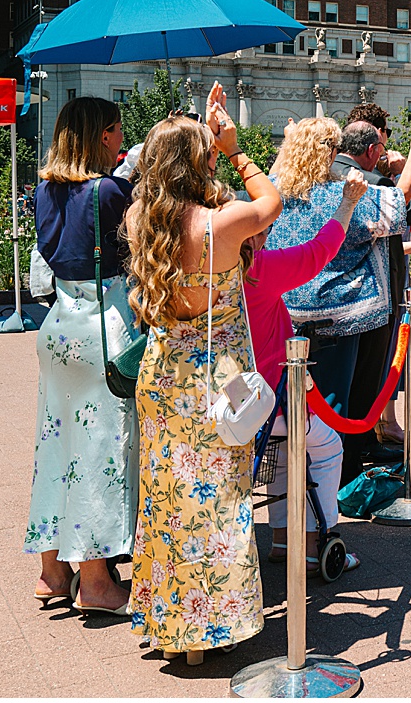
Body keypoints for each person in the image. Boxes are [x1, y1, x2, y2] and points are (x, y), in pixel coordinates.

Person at [125, 84, 283, 663]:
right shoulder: (221, 225)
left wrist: (201, 140)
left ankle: (172, 627)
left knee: (167, 503)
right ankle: (209, 629)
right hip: (214, 382)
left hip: (162, 374)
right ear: (200, 164)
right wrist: (237, 150)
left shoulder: (142, 218)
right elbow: (272, 203)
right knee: (219, 504)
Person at [266, 118, 411, 483]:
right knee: (336, 405)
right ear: (328, 153)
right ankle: (334, 485)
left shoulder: (272, 191)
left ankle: (291, 480)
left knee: (290, 405)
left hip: (285, 314)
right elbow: (401, 206)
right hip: (342, 315)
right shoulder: (343, 194)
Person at [26, 96, 136, 615]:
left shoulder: (44, 191)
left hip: (58, 327)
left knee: (56, 449)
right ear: (102, 136)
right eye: (116, 130)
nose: (121, 138)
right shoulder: (112, 191)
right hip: (102, 327)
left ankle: (53, 570)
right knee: (98, 453)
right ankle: (95, 582)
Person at [242, 169, 369, 574]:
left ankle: (281, 536)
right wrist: (347, 202)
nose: (266, 237)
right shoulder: (259, 270)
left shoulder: (207, 274)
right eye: (262, 231)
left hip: (234, 403)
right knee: (327, 447)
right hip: (273, 398)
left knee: (280, 457)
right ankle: (319, 540)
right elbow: (322, 249)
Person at [330, 117, 411, 479]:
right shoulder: (368, 183)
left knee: (334, 394)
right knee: (358, 392)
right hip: (362, 306)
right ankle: (347, 474)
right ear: (373, 150)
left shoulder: (322, 175)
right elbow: (406, 206)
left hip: (318, 302)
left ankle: (342, 463)